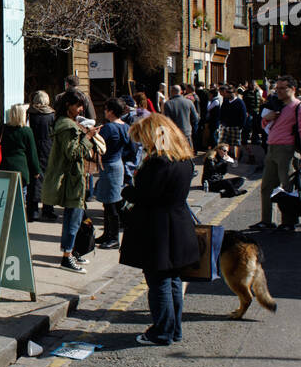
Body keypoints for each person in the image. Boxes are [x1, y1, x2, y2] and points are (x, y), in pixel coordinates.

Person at [119, 114, 198, 346]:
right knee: (173, 279)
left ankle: (161, 332)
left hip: (157, 229)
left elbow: (145, 196)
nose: (143, 145)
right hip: (178, 225)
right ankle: (174, 330)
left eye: (143, 139)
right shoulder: (183, 159)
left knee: (159, 282)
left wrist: (127, 190)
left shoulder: (158, 163)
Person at [42, 90, 100, 271]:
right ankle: (67, 256)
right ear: (68, 105)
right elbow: (74, 153)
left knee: (74, 217)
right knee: (73, 218)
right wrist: (88, 137)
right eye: (78, 106)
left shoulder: (65, 123)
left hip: (72, 178)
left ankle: (72, 252)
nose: (81, 109)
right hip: (72, 180)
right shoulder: (67, 126)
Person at [253, 75, 301, 233]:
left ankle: (288, 222)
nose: (277, 91)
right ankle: (267, 221)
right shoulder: (277, 106)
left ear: (291, 89)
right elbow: (265, 125)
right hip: (271, 148)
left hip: (288, 150)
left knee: (287, 188)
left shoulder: (300, 107)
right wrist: (266, 118)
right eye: (276, 88)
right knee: (266, 187)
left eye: (281, 88)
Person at [94, 98, 132, 249]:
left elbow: (97, 144)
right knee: (112, 201)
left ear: (110, 111)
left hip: (109, 164)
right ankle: (107, 234)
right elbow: (131, 148)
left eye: (106, 109)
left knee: (110, 203)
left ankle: (113, 237)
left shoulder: (109, 128)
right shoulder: (126, 126)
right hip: (118, 163)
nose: (104, 111)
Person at [0, 103, 41, 210]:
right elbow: (32, 153)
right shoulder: (26, 131)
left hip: (4, 167)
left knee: (5, 198)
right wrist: (36, 171)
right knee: (20, 200)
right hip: (21, 169)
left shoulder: (4, 129)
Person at [27, 91, 56, 222]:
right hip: (48, 148)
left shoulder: (29, 114)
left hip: (32, 147)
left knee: (34, 179)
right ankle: (48, 209)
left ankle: (32, 211)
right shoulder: (51, 115)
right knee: (48, 179)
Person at [161, 84, 199, 151]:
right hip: (186, 132)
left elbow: (166, 120)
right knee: (188, 153)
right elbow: (196, 118)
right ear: (181, 91)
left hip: (174, 132)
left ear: (171, 91)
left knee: (176, 154)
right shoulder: (189, 102)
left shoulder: (168, 104)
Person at [217, 85, 247, 161]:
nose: (227, 94)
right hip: (225, 126)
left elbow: (243, 115)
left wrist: (241, 126)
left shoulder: (240, 102)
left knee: (236, 143)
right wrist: (221, 122)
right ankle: (224, 157)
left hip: (236, 126)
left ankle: (237, 158)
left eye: (230, 92)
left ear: (234, 93)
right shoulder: (226, 101)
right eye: (227, 92)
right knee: (222, 142)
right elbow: (221, 112)